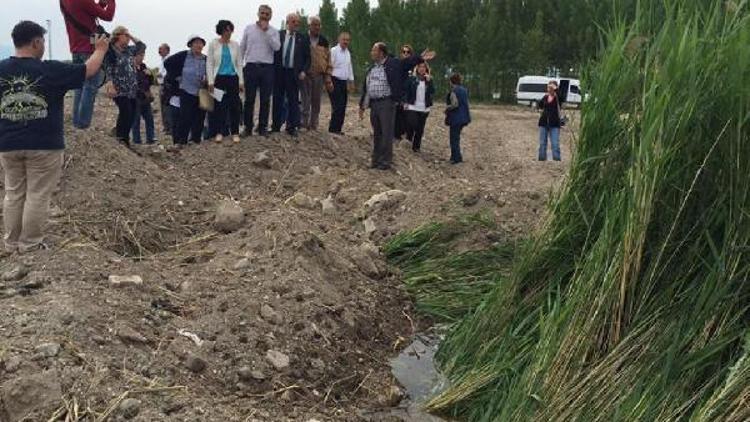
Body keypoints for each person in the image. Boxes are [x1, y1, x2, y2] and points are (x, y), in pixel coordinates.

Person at [0, 21, 108, 253]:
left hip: (8, 144)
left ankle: (10, 243)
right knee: (37, 194)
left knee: (14, 193)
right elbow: (88, 70)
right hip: (44, 145)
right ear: (36, 42)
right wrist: (99, 50)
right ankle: (30, 244)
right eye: (43, 42)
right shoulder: (49, 69)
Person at [59, 0, 116, 129]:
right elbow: (108, 16)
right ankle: (83, 124)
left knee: (79, 86)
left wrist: (99, 4)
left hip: (75, 48)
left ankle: (77, 122)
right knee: (90, 87)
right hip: (89, 49)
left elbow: (85, 14)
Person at [358, 42, 405, 170]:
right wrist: (362, 106)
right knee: (377, 133)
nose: (371, 53)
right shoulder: (372, 69)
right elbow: (367, 88)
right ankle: (376, 160)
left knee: (386, 133)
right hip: (374, 104)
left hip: (386, 102)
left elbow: (404, 66)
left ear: (381, 53)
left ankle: (385, 161)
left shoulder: (390, 65)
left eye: (374, 50)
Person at [240, 4, 281, 137]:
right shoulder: (249, 29)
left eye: (267, 14)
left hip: (267, 68)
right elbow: (242, 47)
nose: (264, 16)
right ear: (258, 14)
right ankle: (247, 127)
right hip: (251, 66)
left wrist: (266, 31)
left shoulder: (274, 31)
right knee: (249, 99)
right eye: (262, 13)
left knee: (265, 99)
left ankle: (262, 127)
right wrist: (239, 67)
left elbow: (277, 47)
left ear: (270, 16)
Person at [103, 26, 145, 147]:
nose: (127, 38)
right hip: (119, 89)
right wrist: (109, 83)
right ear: (117, 36)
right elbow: (107, 68)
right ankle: (122, 138)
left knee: (132, 113)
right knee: (125, 111)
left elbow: (142, 46)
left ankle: (122, 136)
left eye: (128, 36)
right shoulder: (110, 51)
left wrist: (130, 36)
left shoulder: (129, 50)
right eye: (125, 35)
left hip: (131, 89)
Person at [272, 13, 311, 137]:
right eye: (294, 22)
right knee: (277, 99)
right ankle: (276, 126)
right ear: (287, 22)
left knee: (293, 100)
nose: (296, 24)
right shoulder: (279, 35)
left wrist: (304, 71)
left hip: (294, 73)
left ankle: (291, 126)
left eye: (298, 22)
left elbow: (308, 58)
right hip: (279, 72)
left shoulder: (303, 38)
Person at [165, 35, 207, 146]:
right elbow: (167, 63)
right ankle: (181, 142)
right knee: (185, 117)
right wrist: (176, 77)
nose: (199, 45)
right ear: (190, 45)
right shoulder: (183, 55)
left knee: (199, 117)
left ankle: (196, 140)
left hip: (201, 92)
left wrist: (207, 79)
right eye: (196, 43)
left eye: (201, 43)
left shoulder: (205, 58)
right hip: (186, 90)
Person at [207, 20, 244, 144]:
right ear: (221, 31)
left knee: (234, 105)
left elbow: (239, 63)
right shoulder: (213, 44)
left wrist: (241, 81)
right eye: (226, 30)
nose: (228, 33)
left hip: (233, 77)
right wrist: (210, 81)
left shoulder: (235, 45)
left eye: (230, 30)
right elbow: (210, 63)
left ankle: (235, 132)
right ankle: (219, 132)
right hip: (219, 78)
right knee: (219, 106)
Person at [394, 44, 436, 140]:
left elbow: (430, 88)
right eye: (403, 52)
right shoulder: (400, 64)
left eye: (408, 52)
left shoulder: (416, 67)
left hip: (415, 100)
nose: (405, 54)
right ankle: (399, 137)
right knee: (400, 118)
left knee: (412, 123)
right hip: (402, 96)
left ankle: (410, 140)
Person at [300, 16, 331, 132]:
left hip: (319, 75)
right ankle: (304, 124)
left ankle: (314, 125)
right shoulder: (303, 38)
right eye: (315, 24)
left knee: (316, 101)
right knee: (305, 100)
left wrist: (328, 76)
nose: (317, 27)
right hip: (306, 74)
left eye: (319, 25)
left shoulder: (324, 41)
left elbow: (329, 59)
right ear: (309, 25)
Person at [403, 62, 435, 152]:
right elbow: (406, 91)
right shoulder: (411, 79)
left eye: (424, 67)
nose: (422, 69)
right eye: (420, 67)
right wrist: (405, 102)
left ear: (426, 69)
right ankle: (408, 142)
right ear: (416, 68)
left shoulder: (429, 80)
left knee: (420, 129)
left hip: (424, 108)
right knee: (412, 124)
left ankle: (416, 147)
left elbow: (432, 92)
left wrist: (429, 82)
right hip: (413, 106)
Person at [328, 32, 354, 135]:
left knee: (343, 105)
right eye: (344, 39)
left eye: (348, 40)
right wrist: (328, 80)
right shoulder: (334, 51)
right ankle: (332, 129)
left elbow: (349, 67)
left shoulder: (348, 53)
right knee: (337, 105)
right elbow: (330, 66)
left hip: (343, 82)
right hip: (334, 80)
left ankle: (338, 128)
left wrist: (351, 81)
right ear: (339, 40)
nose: (346, 42)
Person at [131, 49, 157, 144]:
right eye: (140, 55)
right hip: (135, 97)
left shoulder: (143, 67)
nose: (142, 57)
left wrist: (150, 75)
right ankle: (136, 140)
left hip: (145, 97)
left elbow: (150, 82)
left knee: (149, 118)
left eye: (143, 55)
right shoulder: (130, 67)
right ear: (134, 56)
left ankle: (151, 138)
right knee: (136, 120)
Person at [445, 72, 471, 164]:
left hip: (455, 119)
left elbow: (454, 104)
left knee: (454, 138)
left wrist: (447, 108)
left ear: (451, 81)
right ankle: (456, 156)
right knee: (457, 137)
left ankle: (456, 158)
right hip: (464, 117)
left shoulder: (454, 91)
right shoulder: (464, 90)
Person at [537, 81, 562, 161]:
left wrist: (556, 90)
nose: (550, 89)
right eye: (548, 87)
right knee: (542, 143)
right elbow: (540, 105)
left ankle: (557, 160)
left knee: (555, 144)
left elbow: (562, 98)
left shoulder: (558, 97)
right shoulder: (545, 97)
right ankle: (541, 159)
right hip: (543, 123)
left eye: (551, 87)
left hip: (554, 124)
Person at [156, 43, 172, 136]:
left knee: (167, 106)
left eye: (161, 49)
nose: (159, 51)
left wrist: (161, 75)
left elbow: (169, 73)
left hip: (166, 86)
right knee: (163, 107)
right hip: (161, 85)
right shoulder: (162, 61)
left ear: (166, 50)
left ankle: (169, 128)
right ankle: (166, 127)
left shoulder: (169, 60)